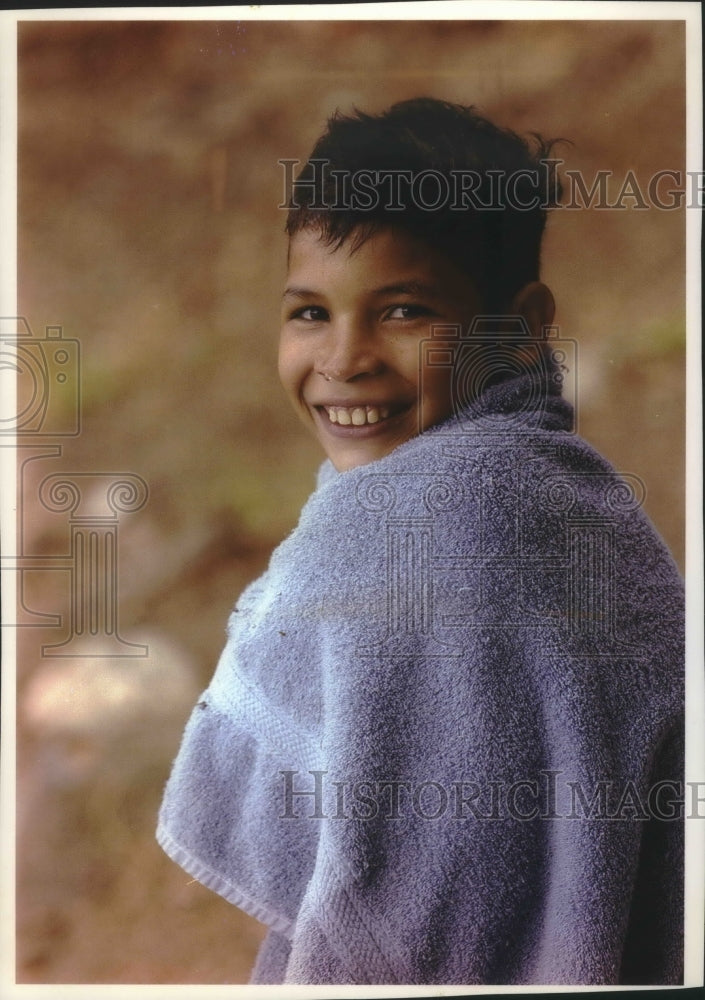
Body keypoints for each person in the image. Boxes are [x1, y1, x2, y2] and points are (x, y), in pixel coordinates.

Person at [157, 99, 684, 985]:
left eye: (402, 311)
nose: (344, 358)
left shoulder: (414, 518)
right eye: (310, 313)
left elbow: (406, 922)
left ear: (519, 327)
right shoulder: (581, 494)